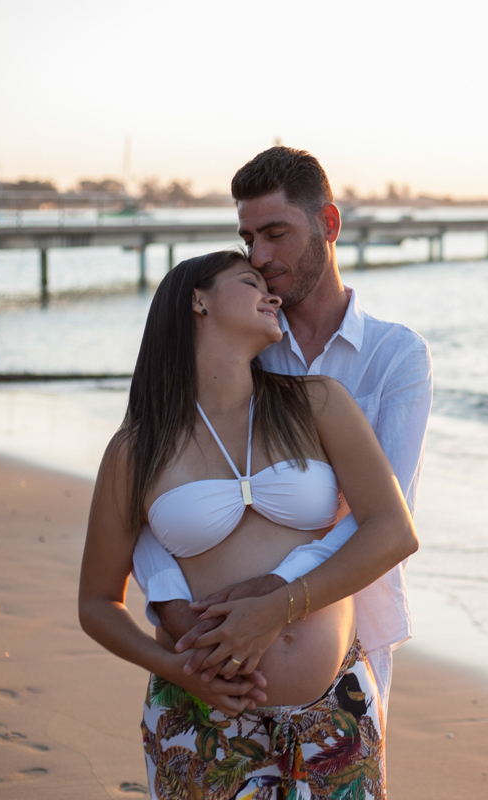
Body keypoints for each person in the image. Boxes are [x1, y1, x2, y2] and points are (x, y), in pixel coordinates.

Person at [79, 249, 416, 799]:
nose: (272, 294)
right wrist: (175, 668)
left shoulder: (317, 403)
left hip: (334, 714)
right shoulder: (138, 449)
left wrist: (278, 606)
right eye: (249, 281)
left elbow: (393, 530)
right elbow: (96, 602)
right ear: (198, 301)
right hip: (203, 720)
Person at [131, 147, 433, 716]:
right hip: (209, 648)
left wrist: (276, 594)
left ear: (329, 224)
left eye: (276, 233)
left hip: (352, 635)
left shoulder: (396, 357)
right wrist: (171, 607)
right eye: (249, 239)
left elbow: (390, 517)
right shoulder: (241, 340)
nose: (261, 256)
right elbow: (155, 491)